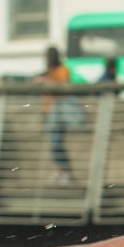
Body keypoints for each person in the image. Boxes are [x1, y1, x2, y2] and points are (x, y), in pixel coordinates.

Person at [37, 45, 82, 185]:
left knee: (56, 142)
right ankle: (59, 170)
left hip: (59, 112)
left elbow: (64, 86)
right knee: (53, 143)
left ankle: (64, 170)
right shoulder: (48, 71)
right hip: (48, 110)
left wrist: (48, 81)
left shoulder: (62, 70)